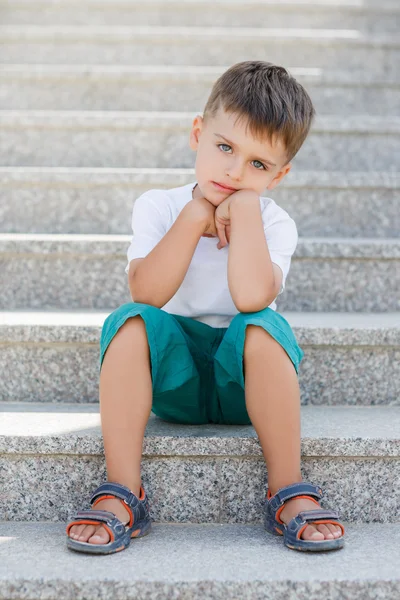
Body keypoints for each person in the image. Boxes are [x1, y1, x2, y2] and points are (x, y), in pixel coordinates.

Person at [66, 60, 345, 554]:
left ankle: (287, 489)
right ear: (198, 133)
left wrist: (244, 213)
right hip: (174, 378)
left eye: (258, 165)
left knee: (263, 325)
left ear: (278, 176)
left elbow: (252, 297)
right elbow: (147, 293)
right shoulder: (159, 205)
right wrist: (196, 217)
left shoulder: (277, 224)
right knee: (129, 323)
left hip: (244, 383)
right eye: (225, 148)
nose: (236, 172)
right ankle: (123, 492)